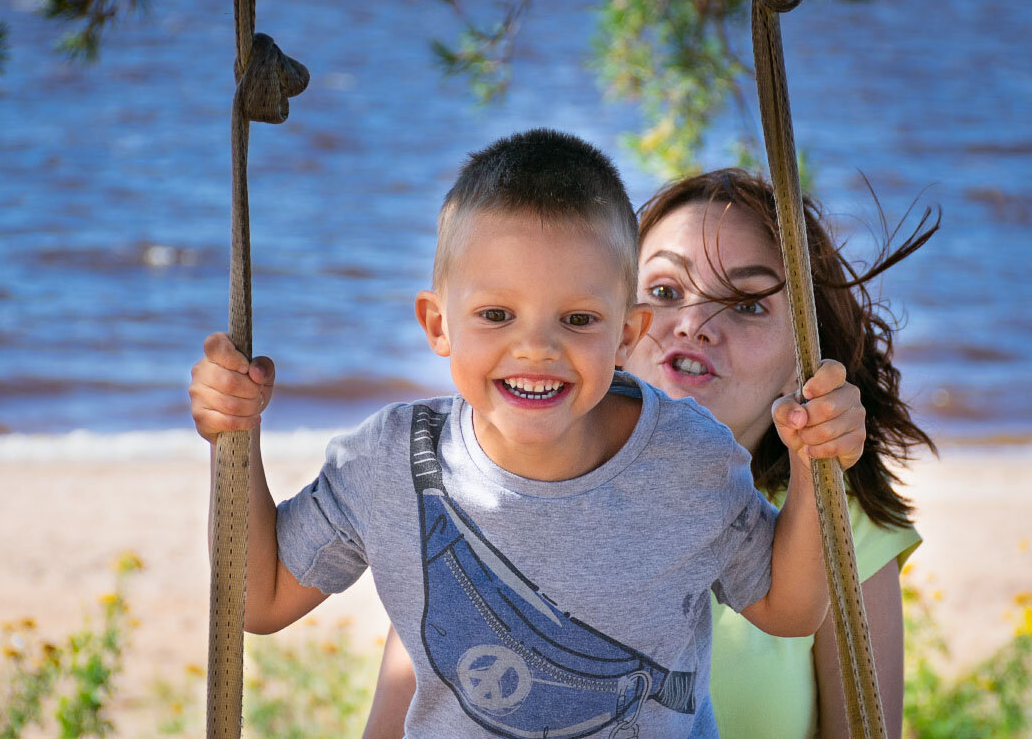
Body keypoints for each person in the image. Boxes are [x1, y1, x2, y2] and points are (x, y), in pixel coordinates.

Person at [190, 131, 862, 738]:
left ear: (626, 334)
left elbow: (790, 609)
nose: (535, 347)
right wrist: (234, 438)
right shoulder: (391, 462)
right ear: (437, 325)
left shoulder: (687, 460)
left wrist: (814, 464)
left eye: (576, 319)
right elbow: (262, 597)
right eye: (496, 314)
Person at [361, 168, 937, 739]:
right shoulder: (489, 487)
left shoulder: (838, 527)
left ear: (801, 352)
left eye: (746, 304)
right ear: (614, 321)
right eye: (665, 292)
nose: (694, 325)